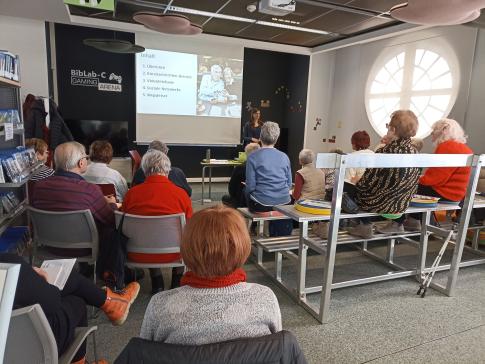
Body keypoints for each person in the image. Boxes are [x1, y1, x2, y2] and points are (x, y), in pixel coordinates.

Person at [139, 205, 282, 345]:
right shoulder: (265, 298)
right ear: (242, 246)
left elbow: (143, 355)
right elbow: (277, 351)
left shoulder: (159, 306)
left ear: (187, 247)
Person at [1, 253, 139, 364]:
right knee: (76, 301)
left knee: (67, 280)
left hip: (7, 348)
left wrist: (29, 274)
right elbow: (52, 302)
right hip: (35, 346)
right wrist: (43, 281)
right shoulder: (9, 265)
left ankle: (114, 303)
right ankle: (114, 304)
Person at [122, 150, 193, 294]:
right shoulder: (181, 194)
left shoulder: (131, 194)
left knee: (148, 233)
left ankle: (157, 280)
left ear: (144, 169)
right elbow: (191, 228)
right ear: (168, 169)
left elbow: (123, 224)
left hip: (137, 254)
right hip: (176, 254)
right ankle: (176, 280)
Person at [346, 110, 421, 238]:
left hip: (378, 204)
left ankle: (365, 226)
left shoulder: (385, 151)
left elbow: (365, 184)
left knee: (343, 187)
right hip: (401, 204)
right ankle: (396, 224)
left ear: (393, 129)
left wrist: (355, 182)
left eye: (388, 126)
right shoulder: (415, 152)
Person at [402, 118, 473, 231]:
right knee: (417, 186)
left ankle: (402, 222)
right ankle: (413, 220)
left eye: (434, 129)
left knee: (405, 186)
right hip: (458, 194)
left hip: (445, 193)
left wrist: (414, 180)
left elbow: (434, 179)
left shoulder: (447, 146)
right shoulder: (465, 149)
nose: (432, 133)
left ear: (444, 130)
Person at [245, 121, 292, 213]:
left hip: (261, 203)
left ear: (260, 137)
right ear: (276, 138)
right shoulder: (284, 157)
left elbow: (250, 187)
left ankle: (251, 225)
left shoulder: (252, 157)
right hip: (285, 202)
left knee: (244, 191)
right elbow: (289, 184)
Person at [221, 142, 260, 208]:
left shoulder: (240, 168)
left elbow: (231, 189)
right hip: (260, 200)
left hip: (242, 201)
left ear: (246, 154)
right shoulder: (264, 168)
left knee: (225, 198)